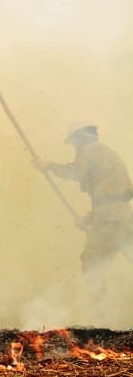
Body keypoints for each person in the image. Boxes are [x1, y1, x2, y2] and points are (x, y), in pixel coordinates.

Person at [32, 121, 133, 300]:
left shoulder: (89, 151)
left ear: (80, 138)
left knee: (93, 265)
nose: (75, 147)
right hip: (126, 216)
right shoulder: (108, 153)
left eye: (74, 142)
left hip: (107, 219)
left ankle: (98, 316)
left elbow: (76, 172)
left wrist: (48, 166)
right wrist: (89, 218)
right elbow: (112, 198)